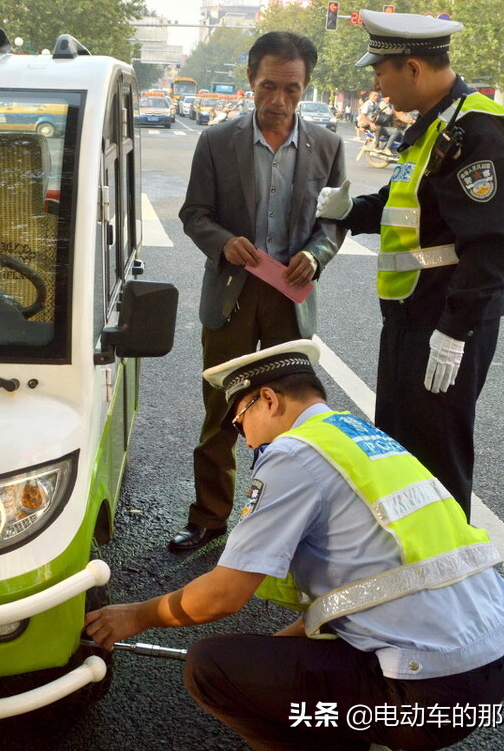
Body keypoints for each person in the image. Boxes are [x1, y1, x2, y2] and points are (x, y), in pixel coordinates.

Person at [85, 339, 504, 751]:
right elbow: (370, 576)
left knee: (209, 667)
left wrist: (136, 616)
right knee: (275, 663)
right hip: (497, 658)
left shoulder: (293, 454)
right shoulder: (358, 437)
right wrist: (279, 655)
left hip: (426, 696)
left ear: (269, 400)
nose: (248, 440)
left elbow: (222, 596)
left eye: (241, 423)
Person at [315, 10, 504, 520]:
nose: (377, 85)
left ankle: (450, 585)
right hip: (412, 313)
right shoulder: (433, 126)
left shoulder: (474, 130)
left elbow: (491, 247)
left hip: (447, 318)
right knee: (402, 448)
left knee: (438, 456)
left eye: (380, 72)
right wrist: (348, 210)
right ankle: (411, 570)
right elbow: (403, 205)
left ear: (412, 68)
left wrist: (454, 332)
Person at [172, 31, 346, 551]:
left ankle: (281, 526)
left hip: (288, 301)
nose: (278, 101)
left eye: (291, 90)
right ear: (251, 79)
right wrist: (223, 243)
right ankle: (208, 517)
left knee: (291, 417)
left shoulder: (328, 146)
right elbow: (193, 214)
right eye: (269, 86)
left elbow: (335, 223)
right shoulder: (216, 142)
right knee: (223, 411)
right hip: (232, 296)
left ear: (305, 86)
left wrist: (316, 255)